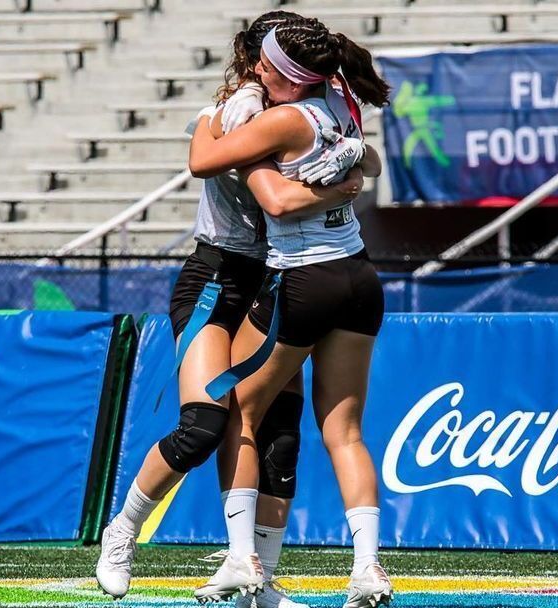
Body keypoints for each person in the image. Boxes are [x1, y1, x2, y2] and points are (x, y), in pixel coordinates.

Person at [95, 12, 367, 608]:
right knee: (204, 424)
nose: (268, 74)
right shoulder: (240, 114)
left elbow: (362, 155)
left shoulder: (319, 103)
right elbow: (263, 189)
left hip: (275, 277)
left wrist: (355, 164)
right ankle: (123, 532)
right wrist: (339, 185)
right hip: (216, 280)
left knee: (280, 436)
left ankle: (258, 579)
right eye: (266, 66)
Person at [188, 17, 394, 608]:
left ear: (285, 72)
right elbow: (371, 163)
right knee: (345, 431)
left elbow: (204, 161)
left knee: (236, 411)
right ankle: (367, 568)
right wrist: (346, 180)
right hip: (359, 275)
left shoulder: (284, 116)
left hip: (304, 278)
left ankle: (239, 558)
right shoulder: (340, 100)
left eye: (266, 67)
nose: (258, 72)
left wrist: (212, 111)